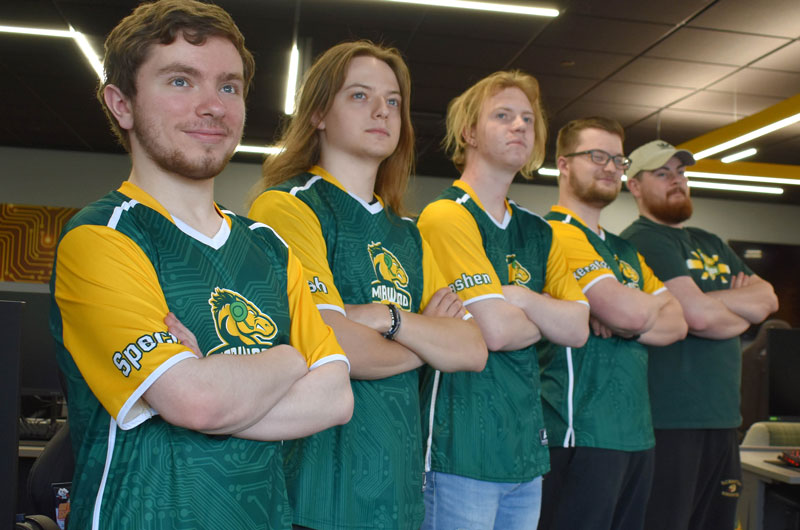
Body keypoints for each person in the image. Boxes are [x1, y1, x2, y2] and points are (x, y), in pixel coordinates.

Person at [50, 2, 353, 529]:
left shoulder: (270, 246)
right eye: (181, 82)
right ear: (121, 104)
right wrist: (288, 358)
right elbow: (197, 401)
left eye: (229, 87)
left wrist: (208, 384)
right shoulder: (102, 237)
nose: (213, 106)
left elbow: (335, 398)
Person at [248, 41, 487, 530]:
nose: (382, 111)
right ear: (317, 113)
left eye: (393, 101)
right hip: (314, 494)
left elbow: (471, 348)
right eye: (359, 96)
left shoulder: (408, 232)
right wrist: (425, 339)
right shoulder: (287, 206)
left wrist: (385, 319)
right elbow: (331, 343)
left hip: (398, 493)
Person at [415, 71, 590, 530]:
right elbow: (495, 330)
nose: (519, 127)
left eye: (527, 120)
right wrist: (543, 309)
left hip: (525, 454)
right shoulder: (446, 215)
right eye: (503, 116)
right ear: (469, 132)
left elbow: (578, 328)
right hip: (461, 452)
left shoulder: (539, 230)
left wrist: (519, 298)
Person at [537, 117, 687, 530]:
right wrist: (633, 312)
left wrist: (624, 317)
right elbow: (638, 313)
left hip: (636, 435)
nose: (610, 167)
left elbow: (678, 323)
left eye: (617, 160)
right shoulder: (556, 233)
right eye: (596, 156)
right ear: (564, 164)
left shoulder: (622, 248)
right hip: (581, 435)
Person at [621, 139, 779, 530]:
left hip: (723, 419)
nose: (676, 181)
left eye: (681, 172)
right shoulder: (642, 240)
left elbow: (767, 299)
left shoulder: (709, 242)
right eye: (662, 174)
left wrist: (711, 304)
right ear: (635, 186)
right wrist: (736, 307)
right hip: (671, 422)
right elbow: (699, 317)